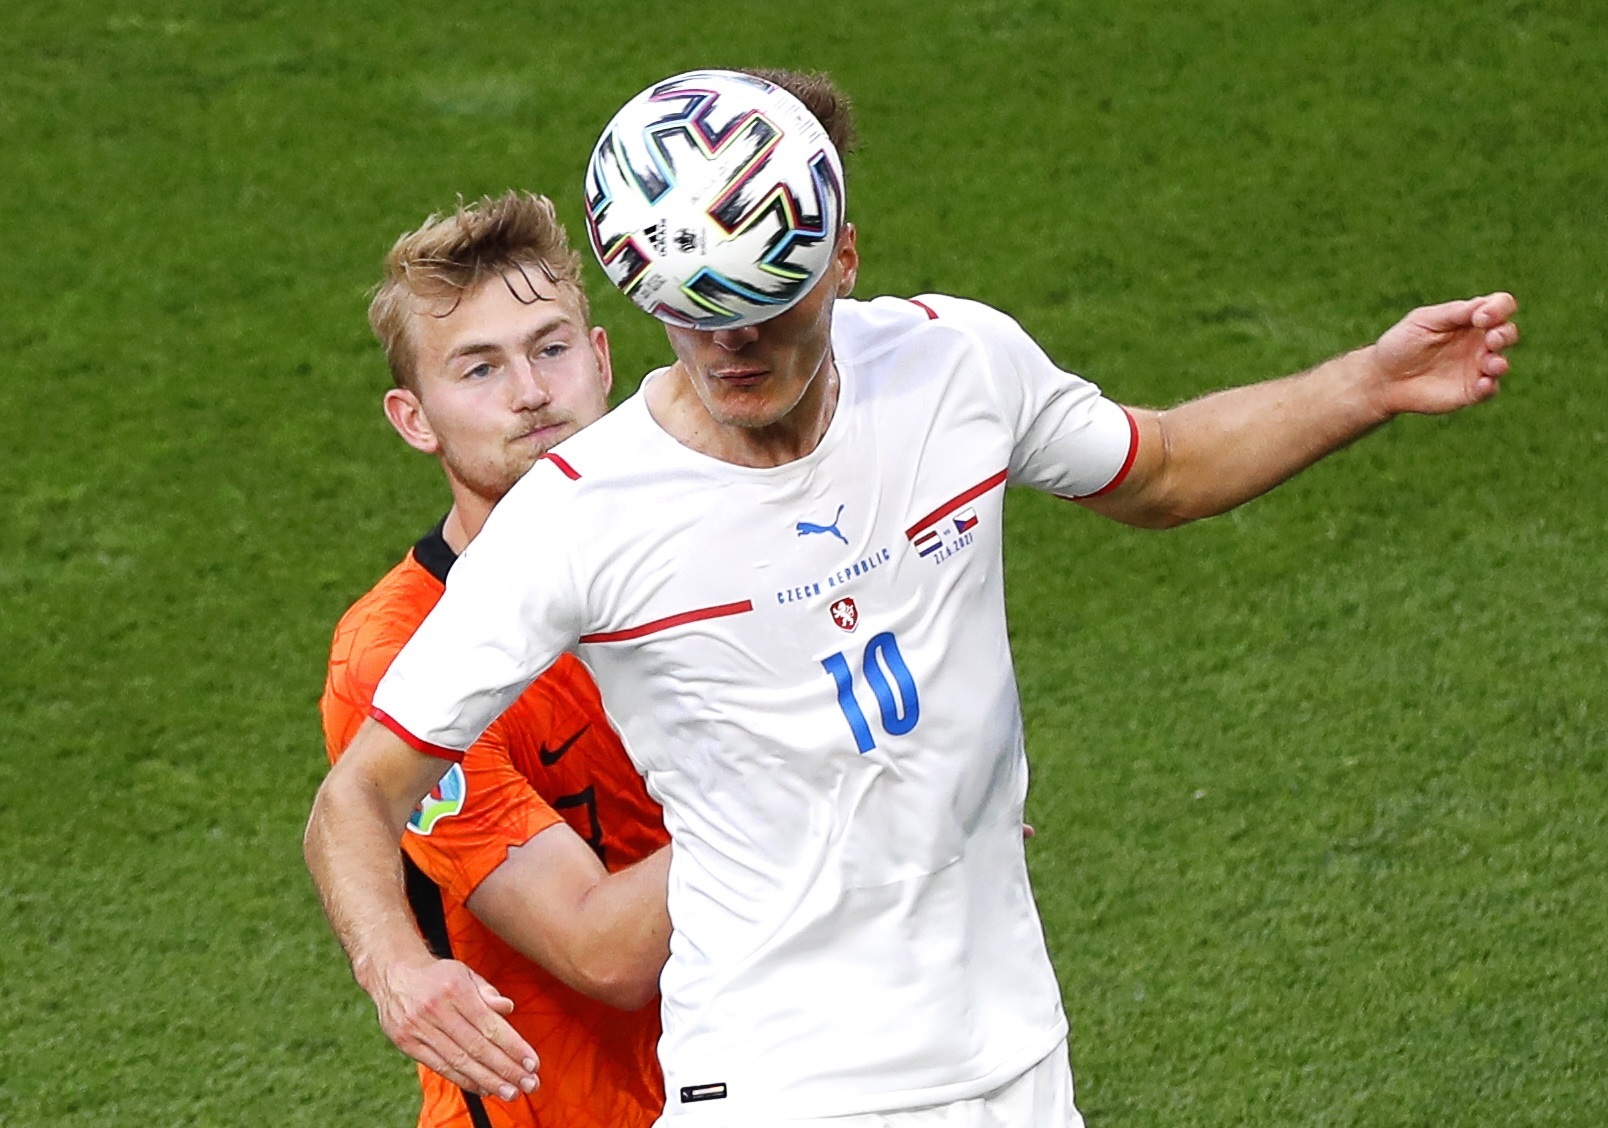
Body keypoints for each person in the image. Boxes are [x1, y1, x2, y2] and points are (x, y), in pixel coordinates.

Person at [306, 69, 1519, 1127]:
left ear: (840, 257)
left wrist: (1368, 382)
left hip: (1011, 1054)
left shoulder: (956, 365)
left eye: (766, 307)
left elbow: (1160, 470)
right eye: (694, 316)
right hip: (780, 1081)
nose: (731, 350)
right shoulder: (584, 512)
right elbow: (358, 797)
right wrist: (398, 971)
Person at [312, 191, 672, 1128]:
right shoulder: (399, 654)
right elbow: (605, 953)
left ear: (600, 362)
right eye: (479, 369)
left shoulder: (709, 544)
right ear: (414, 418)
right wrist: (847, 796)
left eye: (551, 349)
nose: (530, 392)